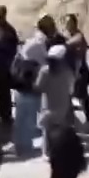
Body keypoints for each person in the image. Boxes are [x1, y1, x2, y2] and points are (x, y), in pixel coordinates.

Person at [13, 16, 55, 158]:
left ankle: (18, 145)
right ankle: (26, 147)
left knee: (20, 117)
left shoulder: (31, 40)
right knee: (30, 118)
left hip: (20, 84)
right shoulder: (41, 42)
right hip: (30, 85)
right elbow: (45, 64)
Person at [0, 6, 21, 130]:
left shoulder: (9, 32)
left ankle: (6, 120)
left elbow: (12, 51)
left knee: (4, 96)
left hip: (4, 68)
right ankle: (3, 118)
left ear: (3, 17)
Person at [65, 15, 89, 125]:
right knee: (70, 96)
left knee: (82, 97)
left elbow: (79, 57)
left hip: (80, 71)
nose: (67, 25)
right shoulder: (67, 36)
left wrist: (76, 73)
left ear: (75, 23)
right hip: (71, 71)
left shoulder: (78, 38)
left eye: (69, 23)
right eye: (66, 23)